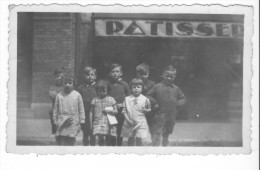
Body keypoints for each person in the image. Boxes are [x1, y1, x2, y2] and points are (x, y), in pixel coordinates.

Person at [146, 65, 186, 146]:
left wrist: (177, 104)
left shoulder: (176, 88)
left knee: (168, 129)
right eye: (167, 76)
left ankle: (165, 141)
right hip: (160, 112)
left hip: (171, 113)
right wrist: (155, 103)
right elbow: (148, 95)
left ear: (174, 77)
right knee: (158, 130)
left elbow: (183, 98)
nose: (169, 78)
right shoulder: (157, 86)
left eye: (171, 77)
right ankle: (156, 145)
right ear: (163, 75)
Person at [53, 73, 85, 146]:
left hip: (73, 121)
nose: (67, 85)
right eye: (65, 83)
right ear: (62, 84)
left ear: (73, 84)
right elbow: (55, 110)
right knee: (62, 140)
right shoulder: (59, 95)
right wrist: (55, 121)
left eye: (70, 83)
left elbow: (81, 109)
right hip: (62, 121)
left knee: (71, 139)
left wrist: (81, 121)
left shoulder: (77, 95)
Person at [121, 78, 151, 146]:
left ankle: (139, 153)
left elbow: (149, 109)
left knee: (139, 139)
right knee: (130, 139)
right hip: (129, 121)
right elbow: (124, 111)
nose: (136, 89)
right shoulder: (127, 99)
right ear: (131, 88)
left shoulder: (145, 99)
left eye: (138, 87)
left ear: (142, 88)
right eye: (134, 87)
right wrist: (128, 120)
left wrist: (146, 110)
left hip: (140, 122)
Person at [107, 63, 131, 146]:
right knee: (112, 130)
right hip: (111, 111)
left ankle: (119, 147)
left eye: (117, 71)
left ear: (121, 73)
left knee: (120, 130)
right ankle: (113, 147)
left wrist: (122, 105)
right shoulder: (108, 84)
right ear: (110, 73)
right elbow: (105, 97)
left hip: (121, 111)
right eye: (113, 71)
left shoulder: (124, 85)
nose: (115, 73)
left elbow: (129, 98)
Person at [90, 80, 118, 146]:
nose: (102, 93)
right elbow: (91, 112)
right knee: (100, 139)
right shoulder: (95, 100)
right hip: (98, 122)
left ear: (108, 90)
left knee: (108, 138)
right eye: (100, 91)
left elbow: (116, 111)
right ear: (97, 91)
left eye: (104, 91)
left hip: (109, 122)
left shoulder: (111, 99)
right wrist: (91, 123)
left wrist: (110, 111)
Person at [77, 66, 97, 146]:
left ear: (95, 76)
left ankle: (92, 147)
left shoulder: (97, 87)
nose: (90, 76)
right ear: (84, 76)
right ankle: (85, 148)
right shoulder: (81, 88)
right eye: (88, 75)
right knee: (85, 131)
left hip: (94, 112)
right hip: (84, 112)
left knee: (93, 131)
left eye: (92, 75)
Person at [135, 63, 156, 137]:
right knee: (138, 128)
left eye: (145, 74)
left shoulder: (152, 84)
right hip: (138, 109)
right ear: (137, 74)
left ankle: (154, 144)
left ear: (148, 74)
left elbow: (154, 96)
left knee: (152, 126)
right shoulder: (135, 83)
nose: (143, 76)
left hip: (149, 109)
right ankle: (139, 144)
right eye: (141, 74)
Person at [48, 68, 65, 134]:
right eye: (58, 76)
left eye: (61, 77)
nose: (59, 78)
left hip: (63, 112)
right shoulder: (52, 87)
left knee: (62, 132)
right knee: (55, 131)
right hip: (54, 112)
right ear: (55, 77)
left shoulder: (65, 87)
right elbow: (52, 96)